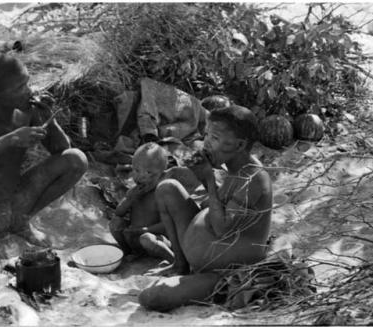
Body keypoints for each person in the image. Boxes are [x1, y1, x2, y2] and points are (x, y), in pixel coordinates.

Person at [0, 53, 88, 258]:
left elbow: (61, 151)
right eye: (19, 88)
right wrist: (7, 140)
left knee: (76, 159)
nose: (28, 90)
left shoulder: (28, 110)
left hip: (9, 206)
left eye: (27, 83)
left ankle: (21, 220)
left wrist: (48, 118)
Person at [138, 105, 272, 311]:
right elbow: (221, 203)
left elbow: (222, 229)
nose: (206, 143)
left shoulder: (253, 178)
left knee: (152, 297)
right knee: (167, 189)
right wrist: (203, 177)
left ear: (240, 144)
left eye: (215, 138)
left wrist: (208, 179)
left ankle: (195, 279)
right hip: (201, 257)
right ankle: (180, 264)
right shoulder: (235, 167)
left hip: (224, 273)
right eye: (207, 135)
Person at [109, 142, 200, 263]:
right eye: (136, 170)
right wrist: (129, 199)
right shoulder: (133, 192)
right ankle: (128, 252)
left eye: (149, 173)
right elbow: (119, 212)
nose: (141, 177)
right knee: (115, 223)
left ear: (162, 174)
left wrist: (144, 230)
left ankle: (172, 259)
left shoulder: (161, 194)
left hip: (155, 237)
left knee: (148, 240)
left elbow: (166, 226)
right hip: (133, 236)